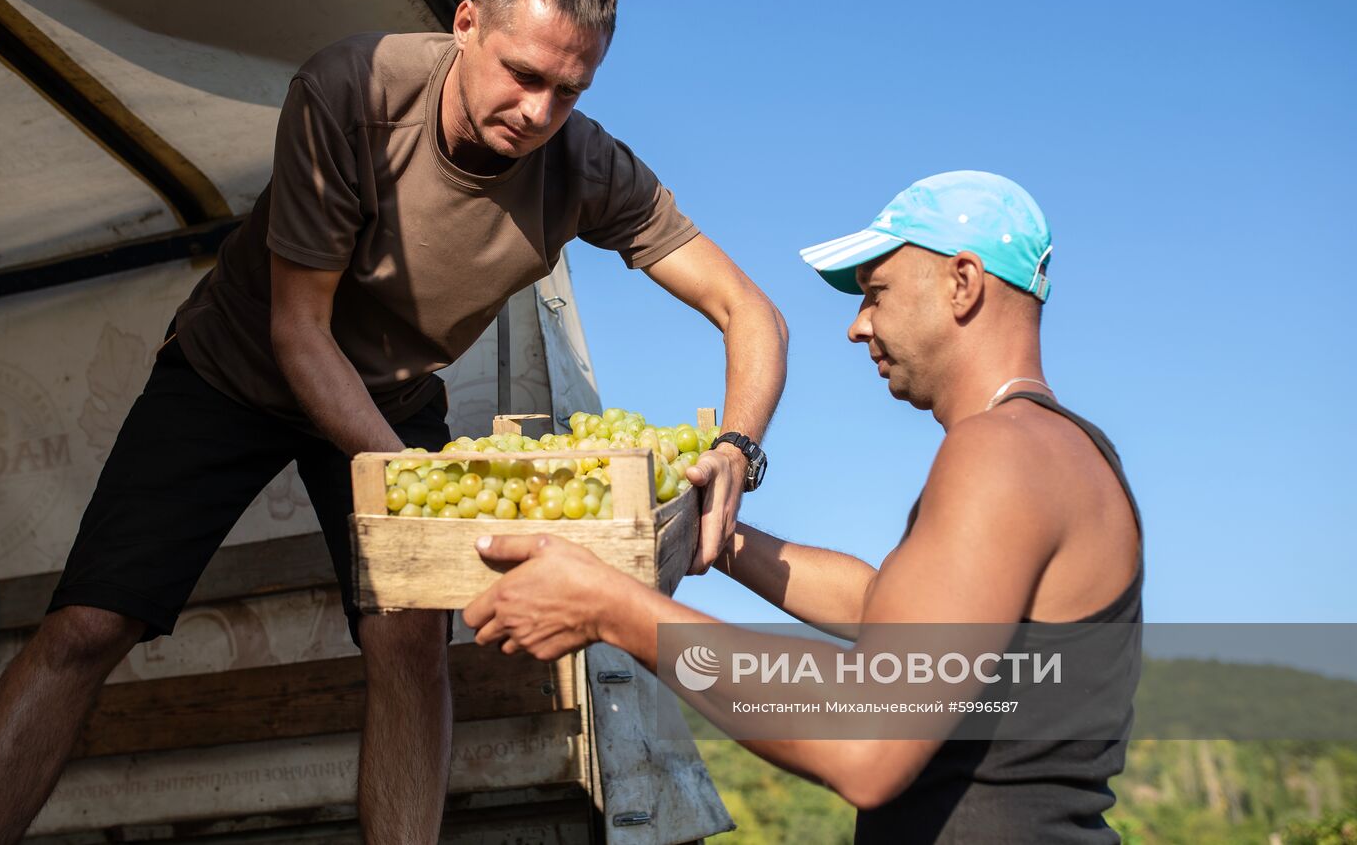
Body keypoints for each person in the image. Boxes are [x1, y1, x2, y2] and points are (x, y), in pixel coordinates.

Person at [0, 0, 788, 845]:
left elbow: (752, 313)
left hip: (391, 392)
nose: (539, 110)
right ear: (466, 23)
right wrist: (422, 502)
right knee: (89, 622)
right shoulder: (349, 91)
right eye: (521, 74)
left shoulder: (586, 166)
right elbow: (298, 335)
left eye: (569, 91)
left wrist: (737, 448)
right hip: (235, 367)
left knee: (407, 637)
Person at [462, 170, 1143, 843]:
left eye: (875, 293)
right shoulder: (1060, 449)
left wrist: (611, 608)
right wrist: (719, 535)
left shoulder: (1002, 453)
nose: (856, 325)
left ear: (962, 283)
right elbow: (887, 610)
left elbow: (870, 740)